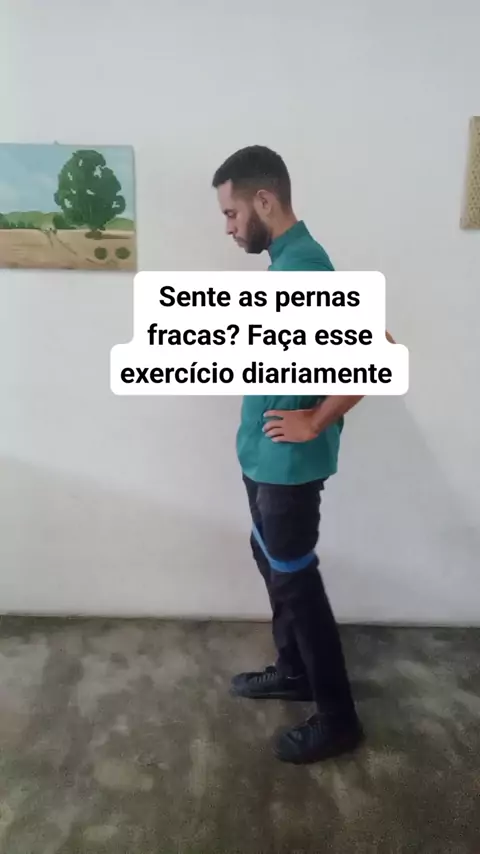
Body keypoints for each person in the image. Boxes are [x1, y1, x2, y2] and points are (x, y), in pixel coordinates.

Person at [212, 145, 366, 765]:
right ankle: (294, 669)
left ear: (264, 201)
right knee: (272, 562)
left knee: (297, 582)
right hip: (262, 457)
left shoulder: (305, 269)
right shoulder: (285, 265)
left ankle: (339, 719)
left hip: (286, 467)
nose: (228, 228)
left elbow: (378, 353)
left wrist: (316, 419)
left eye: (231, 214)